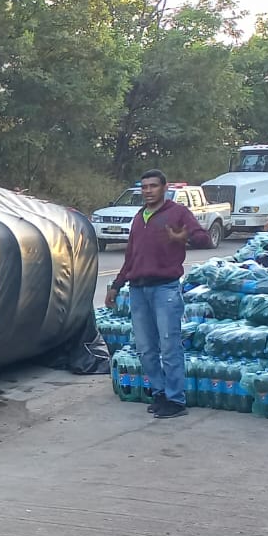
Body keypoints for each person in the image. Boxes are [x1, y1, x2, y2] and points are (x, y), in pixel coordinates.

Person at [106, 169, 212, 418]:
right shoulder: (138, 217)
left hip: (165, 289)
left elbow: (203, 238)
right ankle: (160, 393)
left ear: (164, 188)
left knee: (169, 345)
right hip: (138, 290)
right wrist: (116, 285)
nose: (148, 191)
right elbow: (130, 257)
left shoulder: (178, 213)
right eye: (144, 187)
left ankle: (176, 400)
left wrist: (184, 238)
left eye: (153, 186)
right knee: (145, 348)